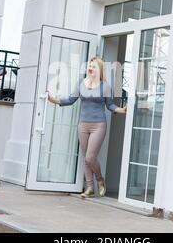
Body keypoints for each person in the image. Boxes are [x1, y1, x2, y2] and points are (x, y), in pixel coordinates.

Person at [48, 56, 126, 198]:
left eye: (94, 66)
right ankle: (89, 187)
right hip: (83, 124)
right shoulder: (80, 83)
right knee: (85, 157)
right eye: (89, 66)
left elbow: (110, 105)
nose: (90, 68)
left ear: (100, 70)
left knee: (90, 157)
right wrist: (55, 100)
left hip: (99, 125)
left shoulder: (106, 86)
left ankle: (100, 180)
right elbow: (71, 100)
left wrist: (122, 110)